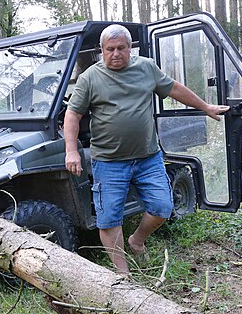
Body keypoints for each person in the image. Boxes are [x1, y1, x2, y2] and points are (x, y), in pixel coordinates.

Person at [63, 24, 229, 276]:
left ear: (130, 48)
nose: (115, 53)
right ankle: (123, 274)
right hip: (108, 161)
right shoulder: (90, 78)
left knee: (162, 207)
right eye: (110, 49)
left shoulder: (146, 68)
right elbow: (73, 114)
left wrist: (205, 107)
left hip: (147, 158)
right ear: (101, 50)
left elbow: (173, 88)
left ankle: (137, 240)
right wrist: (71, 150)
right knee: (109, 218)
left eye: (121, 48)